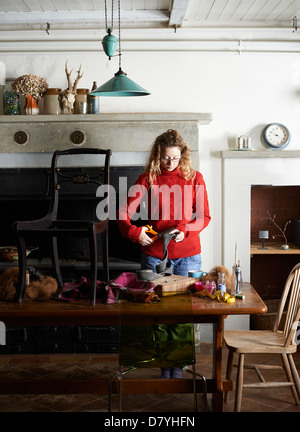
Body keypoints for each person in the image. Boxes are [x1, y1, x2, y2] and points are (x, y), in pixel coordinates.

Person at [117, 129, 211, 378]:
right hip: (155, 254)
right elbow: (122, 212)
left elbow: (203, 217)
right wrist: (134, 232)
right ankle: (163, 365)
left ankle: (177, 368)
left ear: (183, 156)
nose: (170, 163)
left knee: (181, 313)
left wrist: (186, 230)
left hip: (188, 254)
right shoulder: (147, 179)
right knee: (156, 312)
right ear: (157, 155)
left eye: (175, 158)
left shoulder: (195, 178)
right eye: (165, 158)